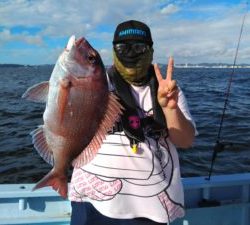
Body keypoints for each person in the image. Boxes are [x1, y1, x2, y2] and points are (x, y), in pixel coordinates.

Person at [69, 20, 196, 225]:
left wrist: (170, 108)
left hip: (150, 207)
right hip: (90, 199)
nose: (130, 53)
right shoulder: (95, 80)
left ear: (151, 51)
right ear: (113, 50)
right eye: (123, 47)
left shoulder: (167, 88)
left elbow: (186, 141)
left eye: (139, 47)